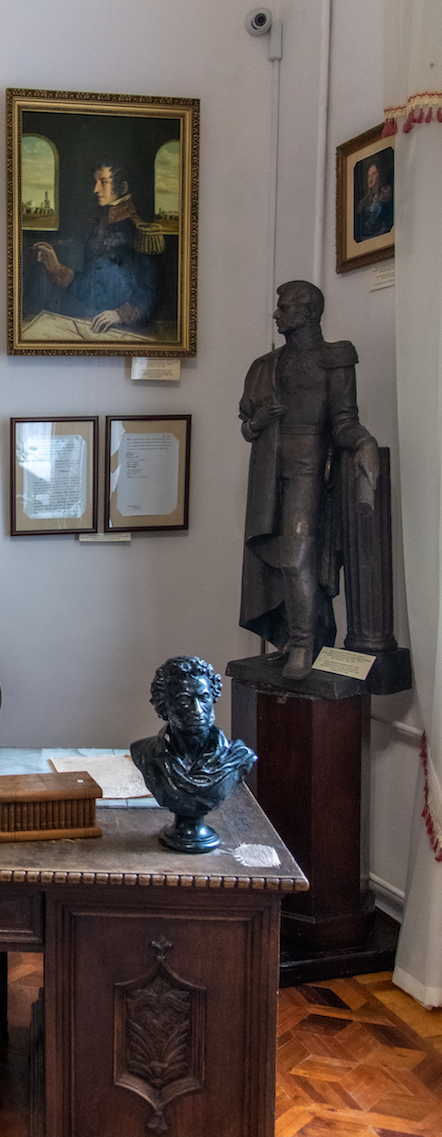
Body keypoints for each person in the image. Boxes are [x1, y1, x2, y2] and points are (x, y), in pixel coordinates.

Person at [239, 280, 379, 680]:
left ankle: (304, 643)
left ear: (309, 312)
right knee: (272, 556)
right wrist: (257, 423)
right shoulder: (264, 366)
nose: (276, 314)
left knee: (297, 554)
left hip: (309, 467)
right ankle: (289, 636)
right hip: (268, 468)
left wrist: (364, 441)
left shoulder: (335, 358)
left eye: (284, 307)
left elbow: (343, 421)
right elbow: (247, 428)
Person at [130, 656, 256, 851]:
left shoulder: (238, 757)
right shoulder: (145, 753)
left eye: (204, 698)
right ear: (164, 705)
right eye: (184, 700)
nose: (197, 710)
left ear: (213, 698)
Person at [32, 159, 162, 331]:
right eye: (96, 182)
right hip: (90, 320)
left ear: (123, 188)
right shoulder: (98, 223)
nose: (96, 189)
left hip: (124, 328)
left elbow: (149, 292)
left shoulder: (141, 231)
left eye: (103, 182)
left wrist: (120, 315)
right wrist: (57, 268)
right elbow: (90, 282)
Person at [353, 156, 393, 243]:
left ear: (380, 175)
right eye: (368, 176)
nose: (370, 179)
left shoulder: (386, 196)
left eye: (373, 174)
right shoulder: (364, 201)